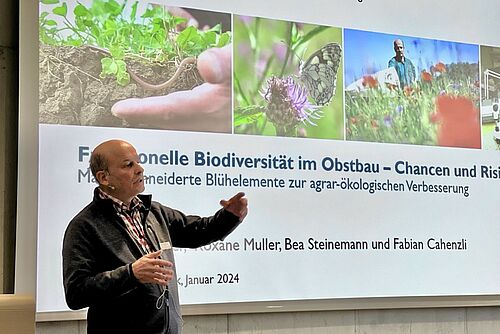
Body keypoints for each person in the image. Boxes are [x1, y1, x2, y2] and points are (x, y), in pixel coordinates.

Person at [62, 139, 248, 334]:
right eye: (128, 165)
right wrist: (131, 274)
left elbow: (198, 232)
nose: (140, 169)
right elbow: (76, 293)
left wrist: (229, 216)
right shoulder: (84, 226)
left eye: (138, 162)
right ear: (104, 178)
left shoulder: (154, 212)